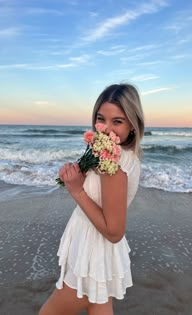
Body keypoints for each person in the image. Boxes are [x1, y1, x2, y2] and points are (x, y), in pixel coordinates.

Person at [39, 83, 145, 315]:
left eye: (117, 121)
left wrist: (77, 191)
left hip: (92, 253)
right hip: (95, 249)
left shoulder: (114, 165)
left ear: (133, 125)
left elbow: (114, 232)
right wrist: (76, 175)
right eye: (101, 119)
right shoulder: (113, 155)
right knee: (99, 307)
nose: (106, 129)